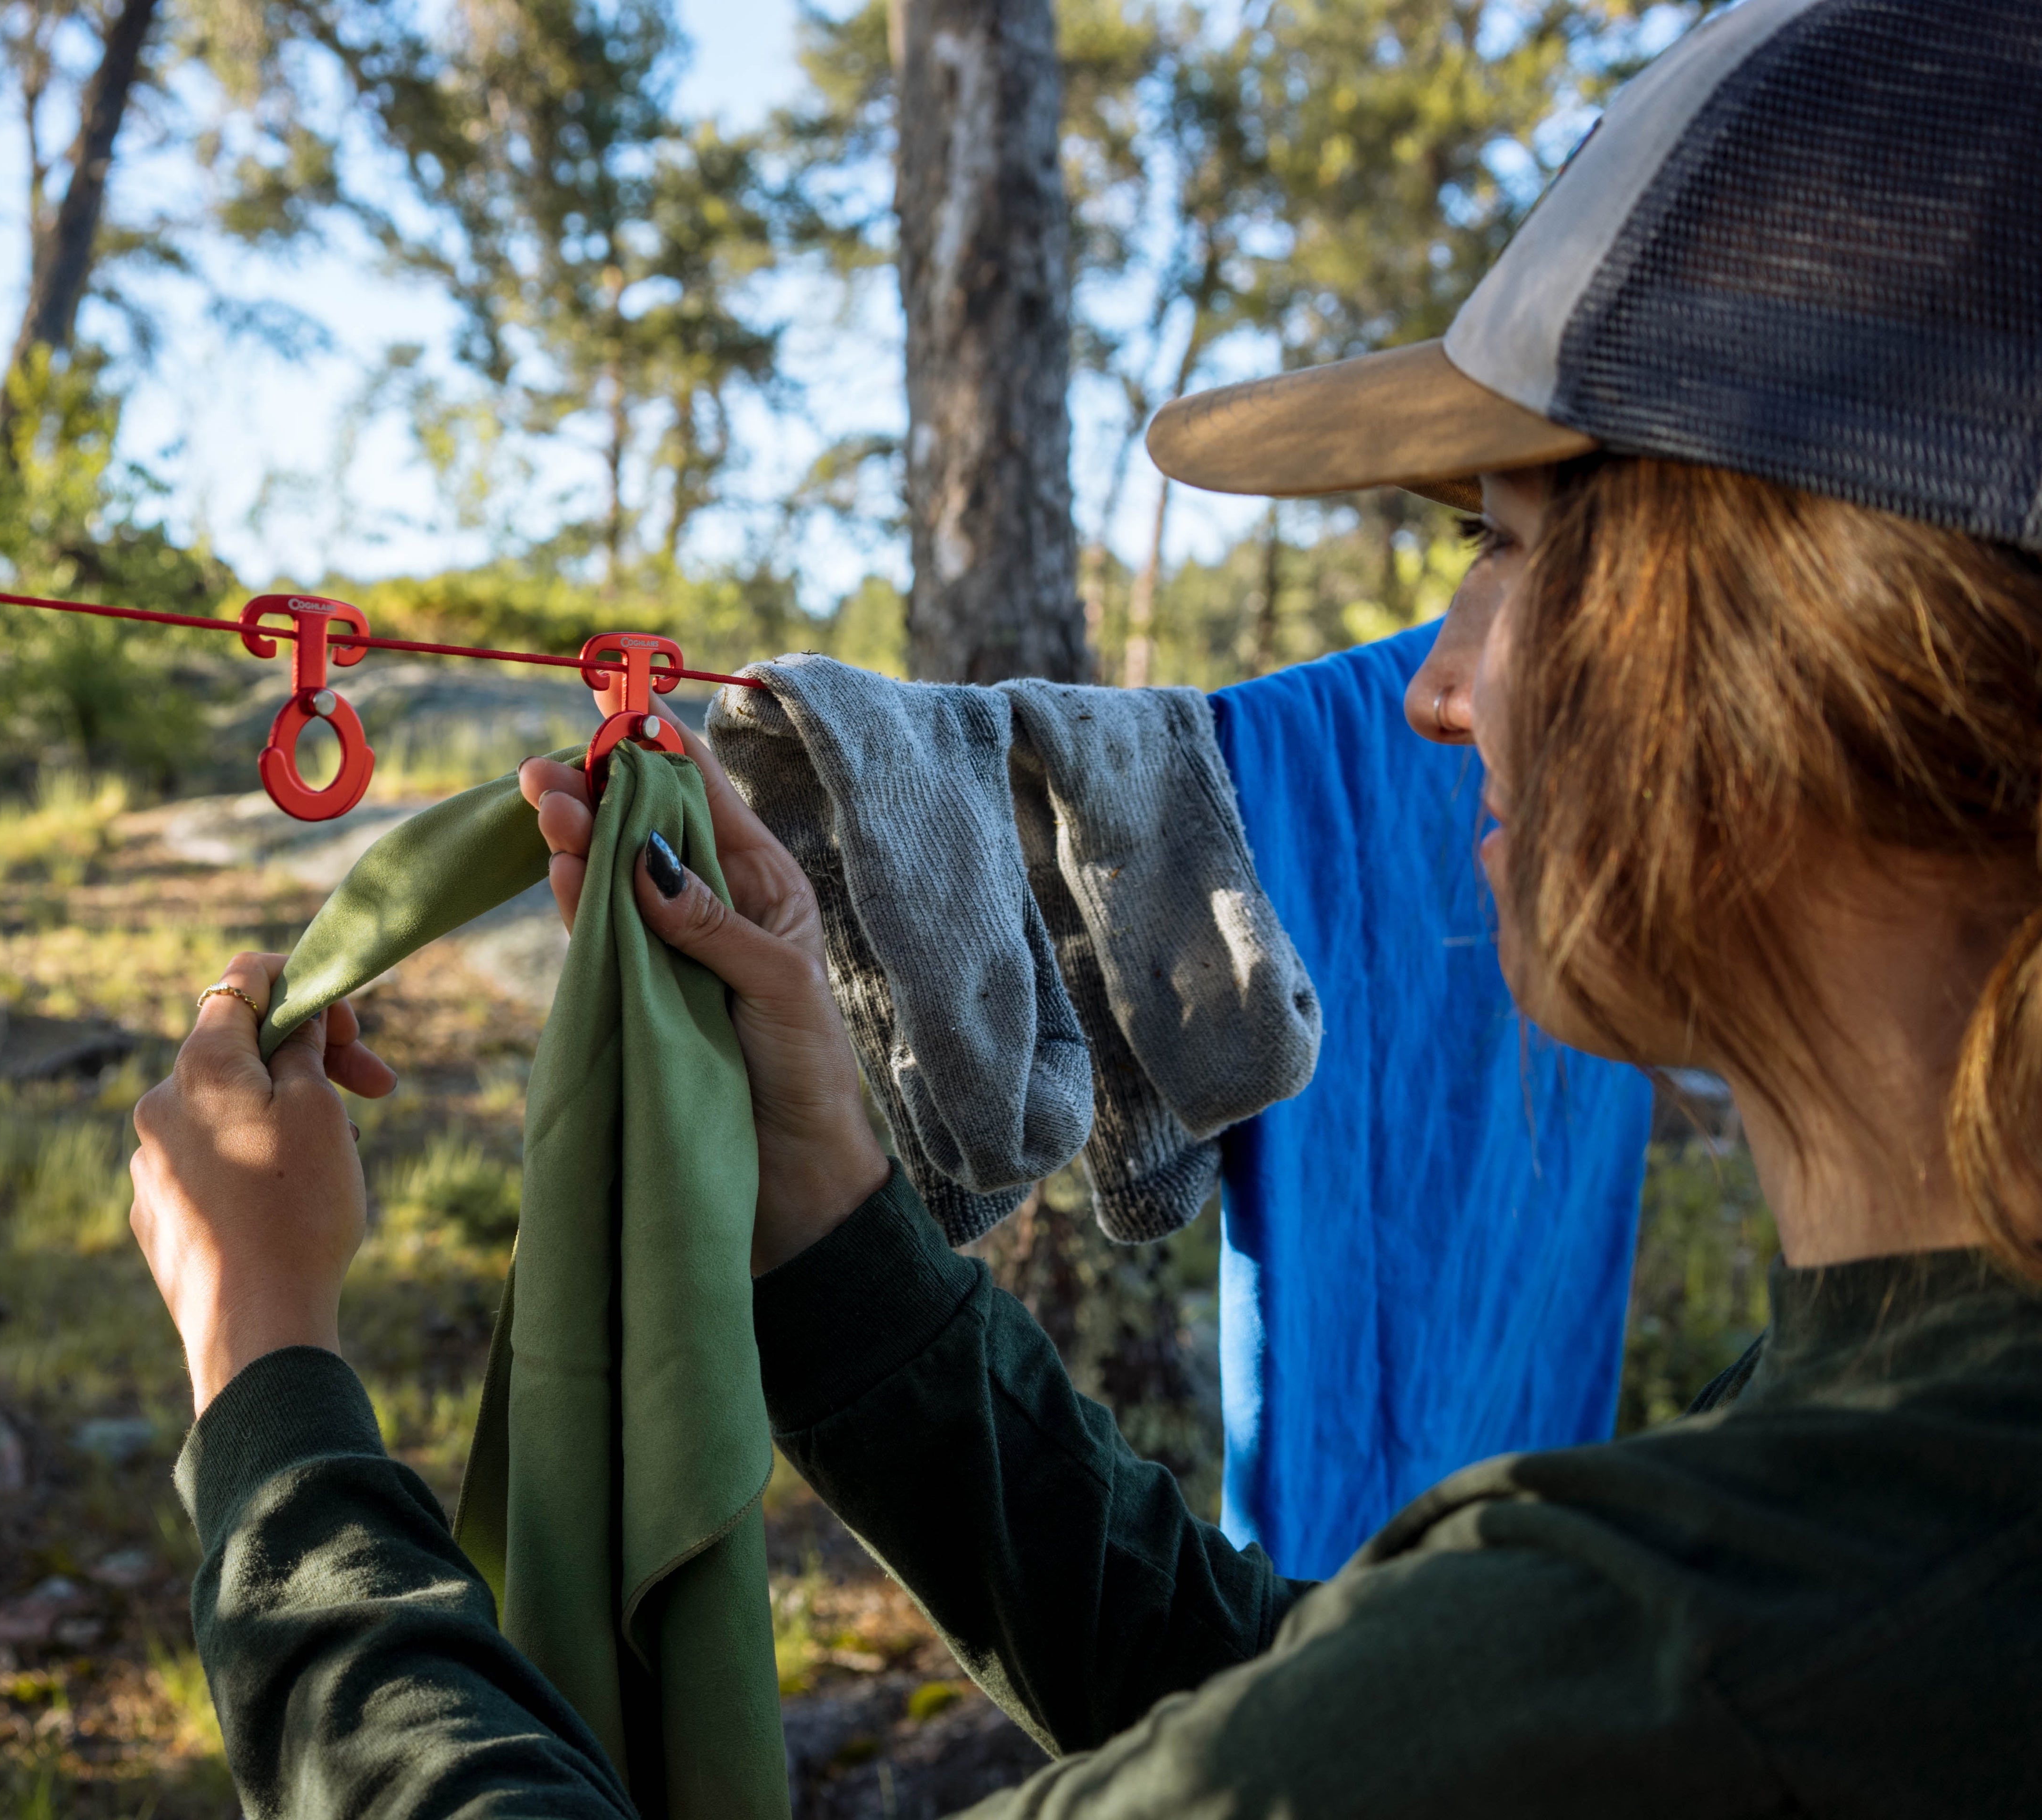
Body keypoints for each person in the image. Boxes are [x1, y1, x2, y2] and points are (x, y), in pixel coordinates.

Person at [126, 2, 2042, 1811]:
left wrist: (267, 1378)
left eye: (1512, 550)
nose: (1433, 688)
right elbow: (1288, 1696)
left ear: (1815, 651)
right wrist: (823, 1221)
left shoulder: (1711, 1640)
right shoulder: (1888, 1453)